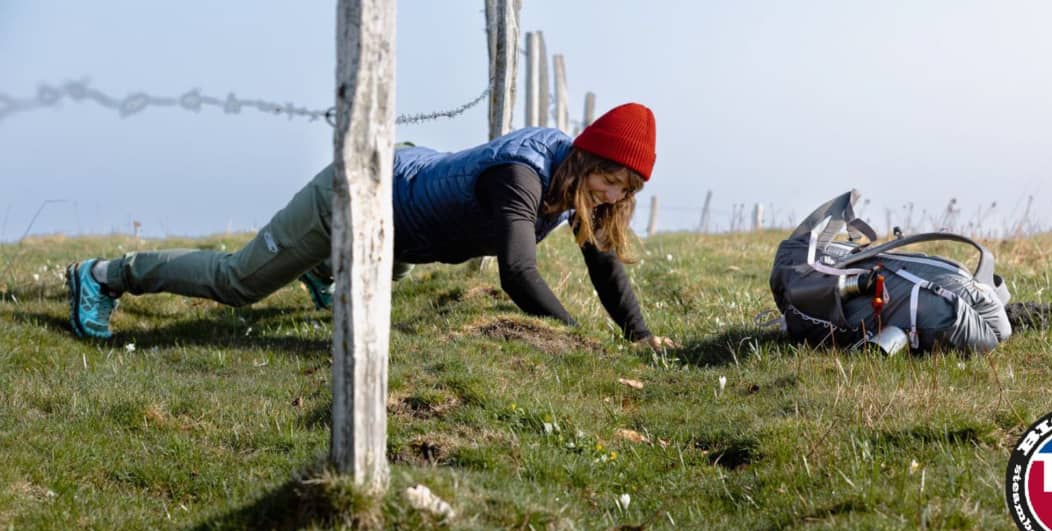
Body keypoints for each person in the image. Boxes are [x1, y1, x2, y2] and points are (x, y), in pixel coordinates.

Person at [65, 102, 677, 351]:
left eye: (627, 188)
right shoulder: (522, 176)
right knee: (239, 282)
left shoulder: (577, 184)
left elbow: (602, 259)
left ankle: (323, 266)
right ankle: (105, 276)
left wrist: (638, 334)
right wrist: (572, 340)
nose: (614, 193)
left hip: (408, 214)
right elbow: (517, 272)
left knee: (395, 267)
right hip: (361, 190)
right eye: (611, 178)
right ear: (588, 156)